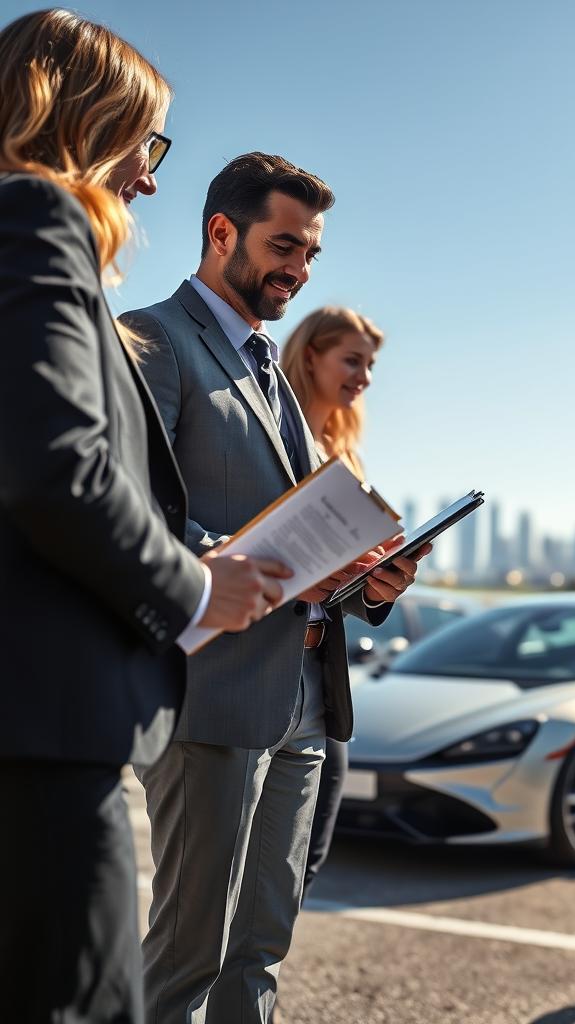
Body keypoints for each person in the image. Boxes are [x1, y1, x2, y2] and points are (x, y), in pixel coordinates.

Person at [0, 11, 288, 1022]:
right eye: (145, 141)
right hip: (43, 732)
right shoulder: (35, 223)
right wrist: (200, 583)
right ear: (82, 118)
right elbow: (58, 472)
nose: (151, 176)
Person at [122, 152, 427, 1023]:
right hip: (214, 693)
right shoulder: (152, 339)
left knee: (258, 952)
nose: (297, 268)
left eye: (310, 254)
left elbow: (297, 524)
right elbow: (127, 509)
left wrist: (367, 581)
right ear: (222, 233)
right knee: (190, 954)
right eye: (283, 245)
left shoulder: (267, 366)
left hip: (304, 696)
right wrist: (255, 563)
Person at [280, 305, 403, 894]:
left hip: (324, 678)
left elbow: (342, 591)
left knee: (305, 864)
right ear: (311, 355)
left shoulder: (348, 456)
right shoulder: (274, 434)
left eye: (370, 364)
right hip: (263, 668)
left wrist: (379, 579)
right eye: (352, 360)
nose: (365, 377)